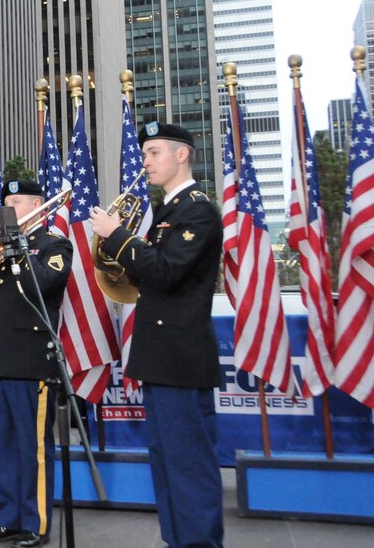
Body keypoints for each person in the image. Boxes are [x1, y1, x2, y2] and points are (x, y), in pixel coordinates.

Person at [89, 121, 224, 548]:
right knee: (166, 463)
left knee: (188, 465)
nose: (145, 162)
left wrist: (118, 236)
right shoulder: (168, 209)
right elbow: (146, 272)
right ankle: (177, 540)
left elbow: (166, 272)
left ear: (181, 155)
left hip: (180, 358)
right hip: (163, 356)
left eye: (154, 153)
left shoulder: (197, 208)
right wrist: (121, 249)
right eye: (145, 154)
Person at [0, 179, 72, 546]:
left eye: (17, 202)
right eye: (6, 202)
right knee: (4, 447)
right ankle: (9, 518)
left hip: (31, 363)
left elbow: (43, 285)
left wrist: (18, 250)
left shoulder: (54, 245)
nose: (8, 209)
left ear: (39, 205)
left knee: (34, 448)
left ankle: (35, 523)